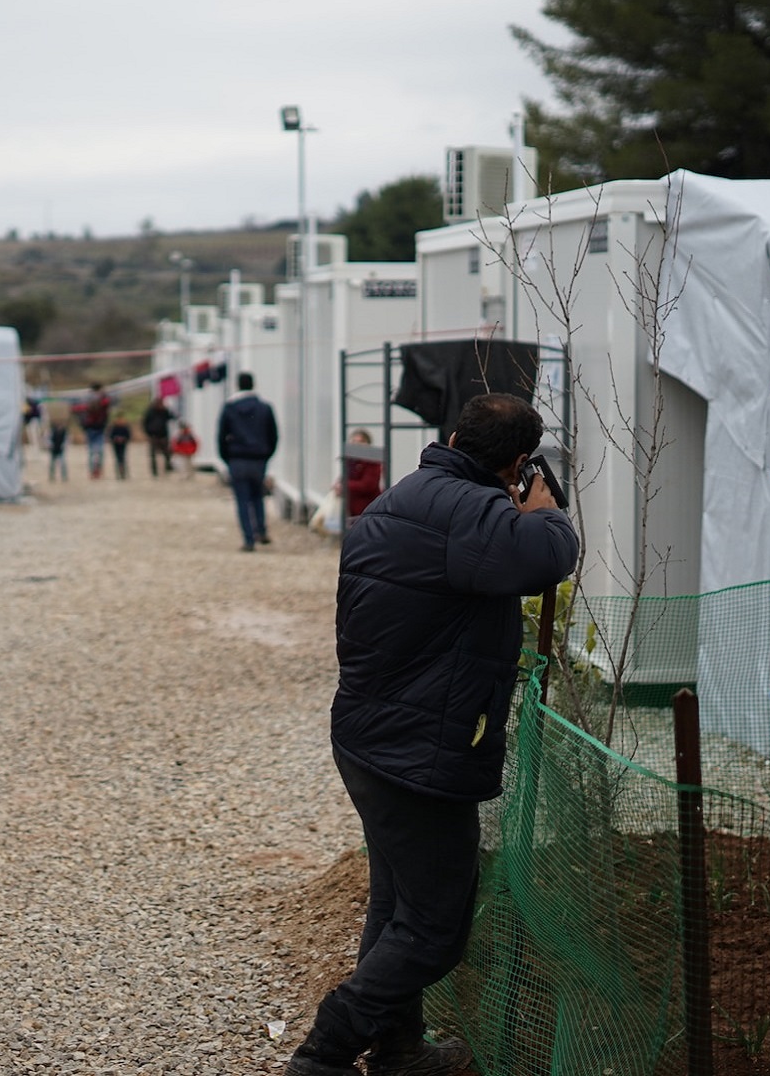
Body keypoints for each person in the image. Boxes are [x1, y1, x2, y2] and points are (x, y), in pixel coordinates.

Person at [287, 394, 577, 1076]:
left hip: (365, 733)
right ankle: (326, 1049)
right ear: (515, 463)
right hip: (420, 751)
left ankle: (399, 1050)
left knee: (397, 906)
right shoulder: (475, 516)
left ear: (450, 436)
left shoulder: (399, 499)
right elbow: (546, 558)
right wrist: (545, 505)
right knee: (436, 926)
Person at [217, 372, 278, 551]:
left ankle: (248, 539)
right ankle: (261, 529)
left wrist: (226, 458)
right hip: (259, 459)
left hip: (237, 458)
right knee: (258, 496)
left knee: (242, 499)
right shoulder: (265, 407)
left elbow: (221, 436)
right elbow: (273, 435)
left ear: (238, 385)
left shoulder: (229, 408)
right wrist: (267, 454)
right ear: (253, 384)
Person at [344, 429, 383, 521]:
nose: (357, 445)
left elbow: (367, 485)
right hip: (352, 507)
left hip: (367, 507)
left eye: (361, 442)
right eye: (354, 441)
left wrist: (345, 485)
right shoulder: (350, 460)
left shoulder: (372, 462)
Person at [79, 383, 112, 479]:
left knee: (94, 452)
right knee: (96, 451)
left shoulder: (87, 399)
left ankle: (96, 471)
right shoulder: (99, 399)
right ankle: (95, 471)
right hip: (94, 428)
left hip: (95, 428)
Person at [142, 399, 175, 477]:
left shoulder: (164, 411)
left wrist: (169, 410)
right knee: (153, 455)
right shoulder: (150, 412)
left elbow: (171, 417)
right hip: (153, 436)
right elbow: (145, 423)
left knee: (167, 453)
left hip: (163, 435)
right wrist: (148, 433)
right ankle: (154, 471)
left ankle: (167, 467)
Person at [108, 412, 133, 480]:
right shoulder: (114, 427)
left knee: (122, 458)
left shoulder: (125, 427)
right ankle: (118, 473)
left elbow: (128, 436)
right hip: (116, 445)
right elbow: (110, 436)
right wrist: (116, 439)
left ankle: (123, 472)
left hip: (123, 444)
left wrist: (123, 439)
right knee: (118, 459)